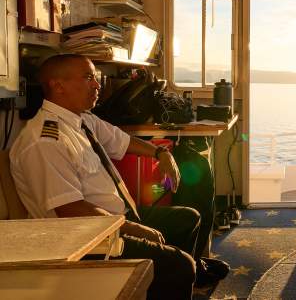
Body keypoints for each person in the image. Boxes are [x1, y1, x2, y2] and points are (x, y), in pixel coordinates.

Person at [9, 54, 229, 299]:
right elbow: (71, 209)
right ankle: (175, 272)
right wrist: (131, 227)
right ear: (58, 86)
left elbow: (122, 142)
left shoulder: (83, 120)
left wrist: (160, 153)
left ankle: (161, 284)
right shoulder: (45, 141)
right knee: (181, 265)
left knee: (189, 219)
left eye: (96, 77)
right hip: (92, 238)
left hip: (118, 217)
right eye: (88, 77)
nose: (97, 85)